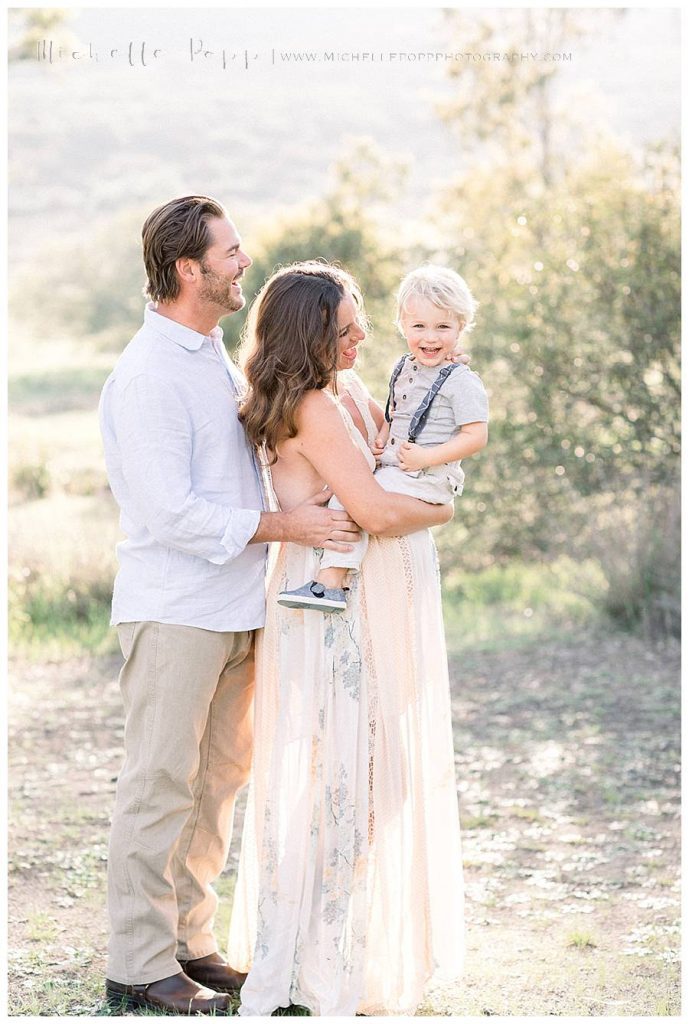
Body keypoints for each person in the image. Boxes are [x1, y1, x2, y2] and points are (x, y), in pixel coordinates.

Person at [98, 197, 361, 1016]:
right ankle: (138, 967)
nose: (244, 261)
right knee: (158, 786)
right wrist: (289, 524)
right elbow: (168, 513)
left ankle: (191, 943)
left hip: (238, 606)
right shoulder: (146, 374)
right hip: (175, 611)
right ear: (190, 269)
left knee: (215, 784)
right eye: (231, 251)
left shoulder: (212, 354)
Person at [228, 262, 466, 1016]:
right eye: (344, 328)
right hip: (334, 617)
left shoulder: (350, 392)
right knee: (346, 782)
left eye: (362, 319)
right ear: (309, 337)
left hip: (367, 606)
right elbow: (373, 507)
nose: (364, 335)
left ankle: (336, 949)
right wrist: (443, 512)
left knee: (368, 780)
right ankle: (315, 960)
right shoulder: (312, 408)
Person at [278, 264, 489, 612]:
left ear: (460, 328)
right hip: (399, 497)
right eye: (419, 326)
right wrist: (385, 436)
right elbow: (397, 415)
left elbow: (474, 435)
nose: (430, 337)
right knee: (348, 501)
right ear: (403, 326)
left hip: (422, 477)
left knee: (348, 501)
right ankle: (331, 579)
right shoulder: (402, 370)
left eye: (443, 327)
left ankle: (330, 580)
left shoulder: (454, 379)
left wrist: (426, 465)